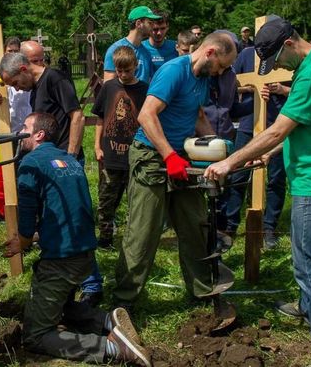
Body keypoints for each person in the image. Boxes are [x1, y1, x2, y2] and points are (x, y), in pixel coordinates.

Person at [204, 18, 311, 367]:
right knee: (305, 255)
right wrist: (271, 154)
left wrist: (230, 162)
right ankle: (308, 306)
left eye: (276, 60)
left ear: (289, 43)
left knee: (309, 265)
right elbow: (307, 122)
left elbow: (279, 129)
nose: (277, 68)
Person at [3, 113, 151, 366]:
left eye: (25, 127)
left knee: (35, 335)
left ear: (39, 134)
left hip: (60, 261)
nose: (19, 132)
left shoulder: (31, 163)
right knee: (57, 307)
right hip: (85, 256)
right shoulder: (70, 161)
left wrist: (23, 241)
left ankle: (113, 348)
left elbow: (26, 215)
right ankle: (106, 320)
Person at [112, 32, 237, 311]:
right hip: (151, 157)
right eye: (222, 65)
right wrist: (168, 156)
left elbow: (198, 115)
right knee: (144, 231)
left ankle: (203, 291)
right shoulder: (174, 71)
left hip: (180, 156)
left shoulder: (202, 78)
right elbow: (146, 115)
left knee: (195, 225)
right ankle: (123, 301)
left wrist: (217, 149)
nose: (221, 72)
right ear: (210, 52)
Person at [221, 39, 288, 249]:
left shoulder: (286, 56)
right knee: (237, 175)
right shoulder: (247, 54)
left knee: (276, 178)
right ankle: (230, 225)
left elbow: (300, 89)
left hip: (278, 124)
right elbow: (233, 85)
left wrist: (281, 89)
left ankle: (269, 227)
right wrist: (252, 87)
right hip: (249, 123)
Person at [92, 46, 148, 248]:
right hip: (110, 154)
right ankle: (105, 237)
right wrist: (97, 146)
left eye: (127, 70)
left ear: (135, 66)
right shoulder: (109, 87)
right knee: (107, 199)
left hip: (135, 154)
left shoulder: (144, 89)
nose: (123, 75)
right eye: (119, 71)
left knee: (136, 201)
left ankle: (134, 240)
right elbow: (100, 118)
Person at [104, 6, 162, 83]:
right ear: (138, 23)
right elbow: (108, 85)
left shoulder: (146, 53)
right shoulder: (115, 49)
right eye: (150, 23)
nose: (153, 26)